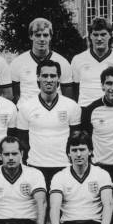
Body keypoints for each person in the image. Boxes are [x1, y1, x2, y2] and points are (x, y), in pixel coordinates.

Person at [17, 59, 82, 188]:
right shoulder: (26, 107)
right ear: (38, 78)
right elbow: (22, 140)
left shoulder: (72, 106)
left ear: (59, 79)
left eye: (53, 76)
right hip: (35, 166)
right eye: (45, 75)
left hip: (64, 166)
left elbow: (76, 140)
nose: (49, 79)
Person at [71, 17, 113, 108]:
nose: (99, 38)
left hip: (111, 111)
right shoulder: (78, 59)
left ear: (110, 35)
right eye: (95, 35)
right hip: (85, 109)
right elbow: (74, 90)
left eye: (103, 34)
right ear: (90, 36)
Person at [10, 17, 74, 103]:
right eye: (38, 35)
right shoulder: (17, 63)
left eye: (45, 35)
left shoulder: (63, 63)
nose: (42, 39)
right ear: (31, 36)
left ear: (51, 36)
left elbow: (68, 98)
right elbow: (15, 96)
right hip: (27, 113)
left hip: (54, 112)